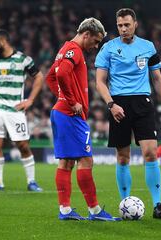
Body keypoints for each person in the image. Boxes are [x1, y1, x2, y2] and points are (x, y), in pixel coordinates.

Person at [95, 8, 161, 219]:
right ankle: (125, 203)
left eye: (127, 24)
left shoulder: (147, 47)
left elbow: (157, 78)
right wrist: (111, 104)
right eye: (120, 25)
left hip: (143, 103)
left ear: (135, 24)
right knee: (122, 157)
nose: (123, 29)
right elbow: (100, 81)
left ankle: (158, 204)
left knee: (151, 153)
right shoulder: (108, 48)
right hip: (118, 104)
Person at [46, 18, 121, 221]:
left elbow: (50, 77)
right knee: (86, 160)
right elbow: (60, 74)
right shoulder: (75, 50)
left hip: (61, 112)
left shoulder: (65, 48)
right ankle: (95, 211)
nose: (95, 46)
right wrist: (70, 101)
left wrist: (62, 97)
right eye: (95, 41)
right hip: (70, 115)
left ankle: (65, 210)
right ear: (86, 34)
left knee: (66, 163)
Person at [0, 29, 43, 192]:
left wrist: (30, 100)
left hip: (15, 110)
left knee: (22, 145)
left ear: (3, 41)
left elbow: (39, 77)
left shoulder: (23, 59)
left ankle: (31, 181)